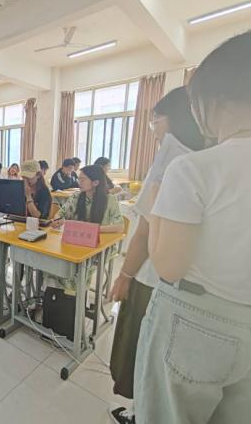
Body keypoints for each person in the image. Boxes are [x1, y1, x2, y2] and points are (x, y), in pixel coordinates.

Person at [133, 31, 251, 424]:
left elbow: (169, 266)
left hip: (194, 320)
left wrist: (156, 208)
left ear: (214, 101)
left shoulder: (193, 168)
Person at [107, 86, 207, 424]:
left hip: (151, 274)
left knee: (140, 348)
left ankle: (140, 413)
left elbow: (145, 229)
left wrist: (124, 275)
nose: (153, 130)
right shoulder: (205, 155)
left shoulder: (172, 154)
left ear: (173, 120)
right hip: (186, 285)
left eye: (155, 121)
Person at [52, 165, 123, 233]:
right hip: (77, 238)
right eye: (79, 179)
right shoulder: (75, 197)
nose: (79, 183)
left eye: (82, 180)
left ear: (95, 182)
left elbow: (119, 227)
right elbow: (59, 214)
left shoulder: (110, 199)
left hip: (101, 239)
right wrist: (58, 221)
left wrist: (90, 229)